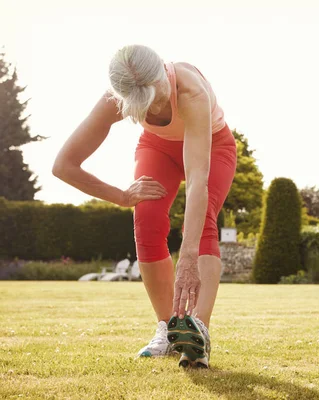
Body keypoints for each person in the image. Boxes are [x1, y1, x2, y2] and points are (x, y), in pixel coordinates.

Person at [53, 45, 237, 368]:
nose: (154, 113)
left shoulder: (191, 91)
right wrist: (122, 197)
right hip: (157, 149)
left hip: (215, 145)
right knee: (147, 217)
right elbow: (64, 165)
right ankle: (169, 329)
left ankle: (199, 334)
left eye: (158, 102)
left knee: (203, 219)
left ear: (164, 77)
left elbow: (197, 181)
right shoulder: (115, 98)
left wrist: (188, 256)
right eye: (144, 110)